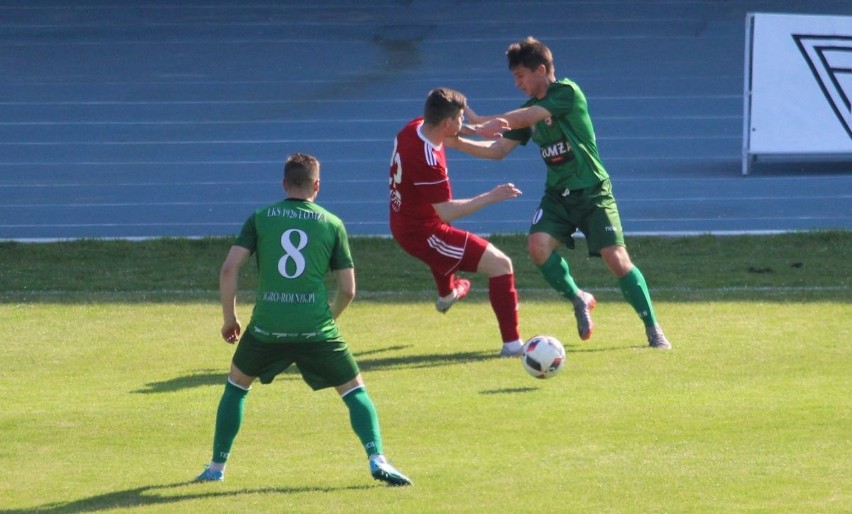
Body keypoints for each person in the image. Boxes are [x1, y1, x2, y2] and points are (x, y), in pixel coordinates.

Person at [195, 152, 412, 486]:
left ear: (284, 183)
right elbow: (348, 289)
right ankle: (377, 457)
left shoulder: (260, 218)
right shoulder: (332, 223)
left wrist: (230, 318)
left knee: (237, 387)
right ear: (317, 186)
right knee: (354, 391)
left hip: (266, 328)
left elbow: (229, 268)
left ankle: (215, 467)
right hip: (317, 329)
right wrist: (328, 322)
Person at [446, 37, 671, 350]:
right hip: (558, 196)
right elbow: (498, 149)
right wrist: (457, 141)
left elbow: (523, 118)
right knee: (537, 247)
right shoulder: (526, 112)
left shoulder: (566, 92)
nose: (517, 84)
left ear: (541, 70)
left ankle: (652, 327)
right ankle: (578, 297)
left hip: (593, 192)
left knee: (616, 260)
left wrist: (483, 120)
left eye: (520, 76)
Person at [389, 87, 525, 358]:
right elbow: (447, 212)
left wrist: (480, 131)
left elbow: (452, 136)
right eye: (461, 119)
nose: (464, 123)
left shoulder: (414, 127)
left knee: (449, 251)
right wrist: (491, 196)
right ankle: (513, 346)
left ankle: (447, 294)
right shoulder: (427, 161)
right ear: (447, 123)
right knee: (501, 265)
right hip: (423, 233)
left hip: (406, 220)